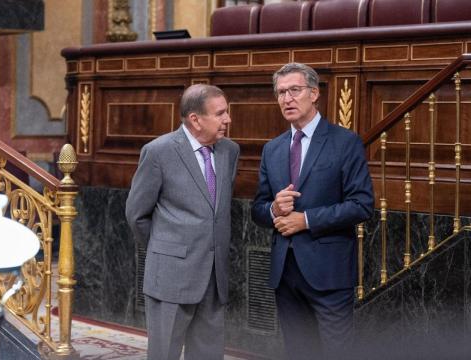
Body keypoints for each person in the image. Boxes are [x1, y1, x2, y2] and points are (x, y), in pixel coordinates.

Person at [251, 63, 374, 359]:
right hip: (285, 273)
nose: (287, 99)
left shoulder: (345, 142)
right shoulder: (273, 149)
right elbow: (258, 208)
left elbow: (362, 205)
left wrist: (305, 220)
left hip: (328, 272)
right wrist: (274, 209)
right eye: (281, 92)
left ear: (314, 93)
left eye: (294, 90)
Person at [125, 84, 240, 360]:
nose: (228, 120)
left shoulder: (230, 151)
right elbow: (136, 213)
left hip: (214, 276)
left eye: (227, 112)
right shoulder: (158, 152)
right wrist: (165, 251)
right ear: (195, 119)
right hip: (171, 276)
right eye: (220, 113)